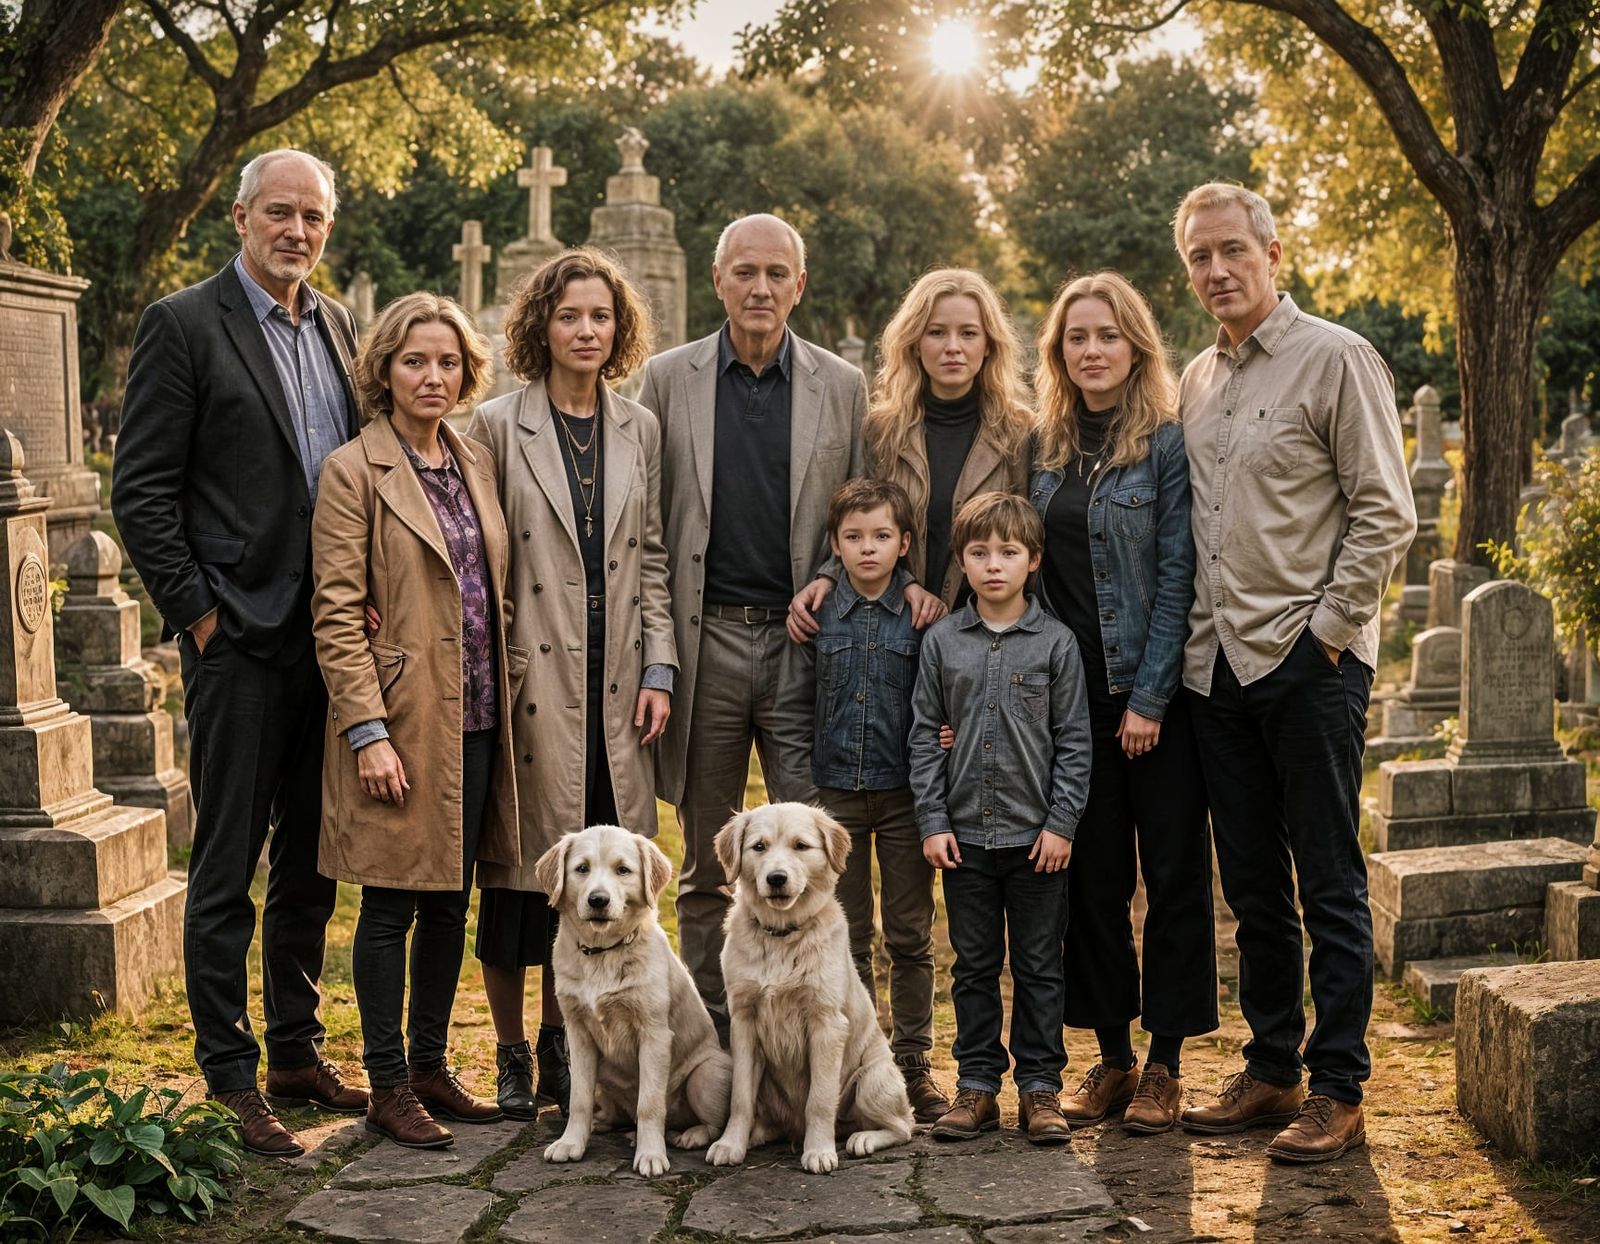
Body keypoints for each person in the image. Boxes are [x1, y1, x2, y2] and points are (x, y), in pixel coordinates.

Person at [113, 148, 366, 1155]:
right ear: (241, 216)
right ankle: (229, 1073)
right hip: (239, 644)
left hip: (331, 644)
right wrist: (200, 618)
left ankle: (296, 1051)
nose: (297, 230)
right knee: (227, 865)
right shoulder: (183, 324)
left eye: (314, 216)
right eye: (280, 212)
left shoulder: (338, 325)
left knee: (310, 863)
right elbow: (141, 489)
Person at [1171, 184, 1415, 1162]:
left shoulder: (1337, 357)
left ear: (1274, 254)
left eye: (1233, 249)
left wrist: (1328, 634)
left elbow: (1384, 508)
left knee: (1328, 879)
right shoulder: (1195, 379)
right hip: (1216, 667)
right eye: (1199, 256)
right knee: (1252, 887)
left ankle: (1339, 1086)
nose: (1217, 270)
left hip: (1307, 661)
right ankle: (1271, 1066)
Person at [636, 213, 891, 1027]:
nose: (760, 287)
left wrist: (826, 579)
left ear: (799, 285)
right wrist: (658, 652)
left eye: (777, 273)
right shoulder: (667, 379)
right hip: (704, 639)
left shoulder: (840, 386)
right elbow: (646, 523)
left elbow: (862, 512)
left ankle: (833, 1030)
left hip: (800, 645)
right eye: (744, 271)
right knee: (710, 862)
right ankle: (713, 1037)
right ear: (718, 280)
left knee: (819, 856)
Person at [467, 247, 675, 1118]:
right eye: (569, 316)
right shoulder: (494, 425)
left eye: (601, 316)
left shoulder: (640, 428)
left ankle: (564, 1044)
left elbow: (652, 556)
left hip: (617, 681)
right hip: (531, 677)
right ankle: (512, 1051)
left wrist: (660, 664)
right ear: (541, 327)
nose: (586, 330)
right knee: (519, 876)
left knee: (594, 871)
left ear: (619, 329)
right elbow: (475, 553)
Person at [311, 292, 522, 1148]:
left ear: (466, 372)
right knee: (392, 904)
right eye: (414, 361)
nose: (433, 376)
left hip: (478, 713)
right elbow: (336, 612)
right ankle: (388, 1084)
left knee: (449, 903)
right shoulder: (353, 471)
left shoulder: (473, 461)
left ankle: (431, 1066)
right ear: (384, 371)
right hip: (401, 718)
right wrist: (367, 732)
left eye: (447, 362)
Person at [1029, 272, 1216, 1135]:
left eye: (1107, 335)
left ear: (1135, 346)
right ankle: (1112, 1059)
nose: (1092, 350)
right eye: (1077, 337)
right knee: (1091, 883)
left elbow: (1179, 573)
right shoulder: (1043, 449)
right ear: (1058, 351)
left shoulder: (1166, 444)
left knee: (1173, 878)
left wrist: (1149, 695)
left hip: (1156, 701)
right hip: (1071, 708)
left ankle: (1166, 1064)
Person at [909, 492, 1092, 1146]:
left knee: (1040, 967)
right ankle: (978, 1086)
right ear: (961, 560)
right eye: (979, 553)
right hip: (965, 840)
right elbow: (924, 734)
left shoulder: (1056, 644)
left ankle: (1040, 1089)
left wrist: (1062, 823)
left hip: (1036, 839)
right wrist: (933, 820)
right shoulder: (942, 643)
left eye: (1008, 552)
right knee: (974, 966)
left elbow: (1074, 740)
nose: (993, 565)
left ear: (1033, 560)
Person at [774, 476, 949, 1122]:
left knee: (909, 934)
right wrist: (802, 802)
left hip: (904, 796)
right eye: (854, 537)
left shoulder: (923, 618)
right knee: (845, 935)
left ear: (904, 544)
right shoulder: (816, 616)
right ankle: (852, 1058)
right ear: (835, 545)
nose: (867, 548)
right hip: (832, 803)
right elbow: (793, 709)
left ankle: (913, 1063)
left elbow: (938, 702)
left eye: (881, 536)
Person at [787, 268, 1032, 634]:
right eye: (936, 332)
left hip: (986, 634)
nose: (953, 347)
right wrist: (832, 576)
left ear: (989, 345)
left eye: (968, 333)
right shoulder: (881, 430)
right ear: (915, 343)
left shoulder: (1020, 432)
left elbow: (1029, 539)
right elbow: (858, 520)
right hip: (895, 629)